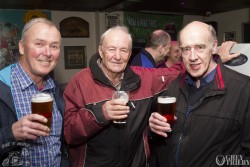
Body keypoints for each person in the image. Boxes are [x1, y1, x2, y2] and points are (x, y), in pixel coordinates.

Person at [63, 25, 184, 167]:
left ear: (130, 54)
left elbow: (174, 73)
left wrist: (210, 58)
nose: (118, 56)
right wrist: (100, 114)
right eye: (112, 49)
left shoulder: (142, 77)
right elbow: (69, 134)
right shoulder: (80, 82)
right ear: (101, 51)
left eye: (123, 50)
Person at [149, 21, 250, 167]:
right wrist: (154, 128)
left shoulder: (244, 89)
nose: (192, 57)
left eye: (200, 47)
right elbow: (167, 140)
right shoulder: (174, 86)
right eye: (186, 49)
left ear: (214, 47)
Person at [0, 18, 69, 166]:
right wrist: (10, 134)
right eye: (39, 44)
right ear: (22, 47)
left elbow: (58, 144)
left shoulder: (55, 89)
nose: (48, 53)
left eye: (54, 46)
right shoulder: (2, 86)